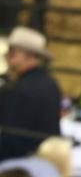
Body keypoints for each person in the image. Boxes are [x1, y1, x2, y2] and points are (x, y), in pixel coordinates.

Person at [0, 27, 61, 161]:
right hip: (45, 159)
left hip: (19, 162)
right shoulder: (50, 83)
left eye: (12, 53)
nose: (6, 56)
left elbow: (11, 140)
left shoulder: (19, 89)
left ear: (29, 56)